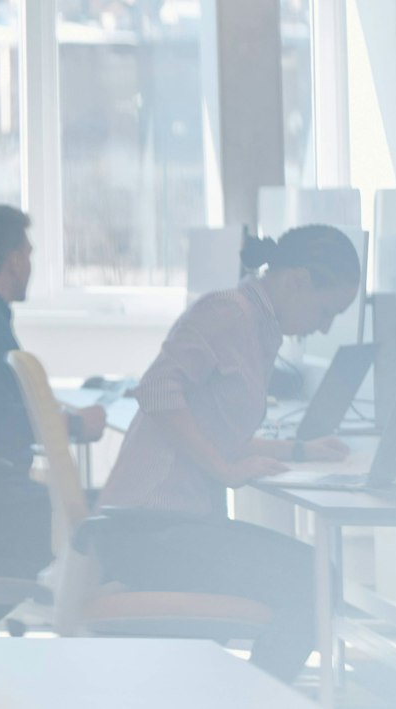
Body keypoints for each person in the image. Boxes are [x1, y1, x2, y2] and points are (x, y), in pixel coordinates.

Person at [94, 225, 361, 681]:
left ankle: (249, 695)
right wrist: (224, 469)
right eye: (326, 309)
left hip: (171, 527)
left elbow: (215, 429)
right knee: (314, 580)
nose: (325, 326)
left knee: (312, 577)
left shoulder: (260, 328)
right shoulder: (227, 313)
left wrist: (298, 449)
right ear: (297, 280)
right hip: (145, 531)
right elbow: (156, 390)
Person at [0, 206, 104, 580]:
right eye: (28, 254)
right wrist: (73, 425)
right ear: (13, 261)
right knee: (111, 520)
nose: (30, 264)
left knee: (105, 511)